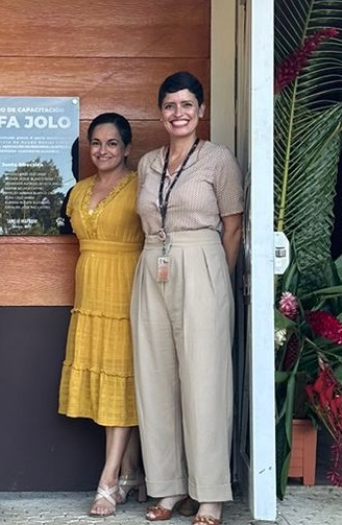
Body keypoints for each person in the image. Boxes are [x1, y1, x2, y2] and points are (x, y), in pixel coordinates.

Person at [131, 71, 243, 525]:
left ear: (201, 111)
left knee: (204, 379)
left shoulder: (218, 160)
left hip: (202, 261)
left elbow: (232, 226)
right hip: (151, 260)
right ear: (161, 113)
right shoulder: (149, 163)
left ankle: (210, 493)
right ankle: (169, 486)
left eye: (186, 105)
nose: (178, 113)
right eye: (170, 106)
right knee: (156, 377)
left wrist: (219, 279)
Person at [57, 113, 145, 517]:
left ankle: (108, 480)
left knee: (121, 383)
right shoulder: (78, 191)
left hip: (127, 295)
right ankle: (130, 472)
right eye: (96, 142)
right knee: (104, 384)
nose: (103, 150)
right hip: (90, 297)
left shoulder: (141, 186)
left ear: (127, 147)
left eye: (112, 143)